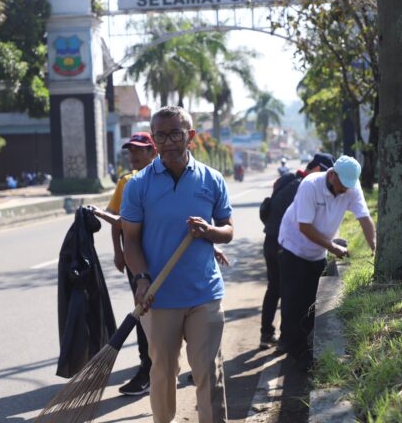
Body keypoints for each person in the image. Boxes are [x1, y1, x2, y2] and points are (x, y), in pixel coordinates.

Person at [121, 106, 233, 423]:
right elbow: (130, 241)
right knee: (163, 373)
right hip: (159, 298)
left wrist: (209, 231)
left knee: (210, 372)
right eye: (160, 135)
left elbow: (228, 230)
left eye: (175, 134)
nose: (167, 141)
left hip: (204, 294)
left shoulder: (212, 180)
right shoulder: (138, 185)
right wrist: (141, 279)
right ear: (154, 138)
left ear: (190, 136)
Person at [277, 155, 376, 370]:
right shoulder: (310, 185)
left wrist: (375, 248)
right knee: (294, 300)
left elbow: (364, 219)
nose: (344, 192)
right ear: (332, 175)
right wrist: (333, 247)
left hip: (318, 250)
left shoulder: (351, 187)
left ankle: (300, 345)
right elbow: (304, 226)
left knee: (312, 302)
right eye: (342, 186)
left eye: (348, 188)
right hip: (295, 246)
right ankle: (295, 352)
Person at [94, 132, 158, 395]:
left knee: (178, 313)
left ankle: (187, 366)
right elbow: (117, 220)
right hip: (137, 261)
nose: (133, 154)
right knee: (143, 315)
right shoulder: (126, 182)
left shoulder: (162, 181)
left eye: (139, 150)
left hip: (164, 257)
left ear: (152, 152)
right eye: (130, 150)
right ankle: (147, 370)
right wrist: (118, 252)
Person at [259, 152, 335, 350]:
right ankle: (286, 340)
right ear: (317, 169)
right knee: (291, 292)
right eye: (327, 174)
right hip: (286, 245)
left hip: (270, 240)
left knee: (274, 287)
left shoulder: (285, 179)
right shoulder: (308, 187)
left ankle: (266, 334)